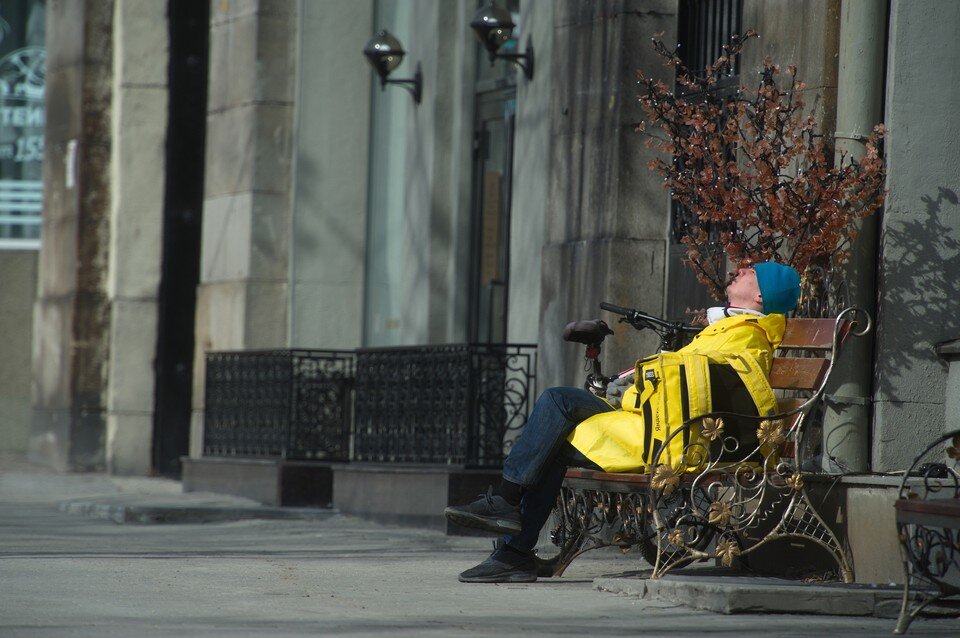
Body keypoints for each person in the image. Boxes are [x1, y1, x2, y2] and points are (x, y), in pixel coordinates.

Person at [444, 261, 802, 583]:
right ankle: (511, 544)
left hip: (665, 434)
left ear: (759, 295)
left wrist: (625, 395)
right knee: (557, 418)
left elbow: (689, 389)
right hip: (652, 424)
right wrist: (625, 389)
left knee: (558, 406)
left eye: (749, 272)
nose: (738, 270)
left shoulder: (744, 335)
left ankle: (510, 531)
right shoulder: (729, 329)